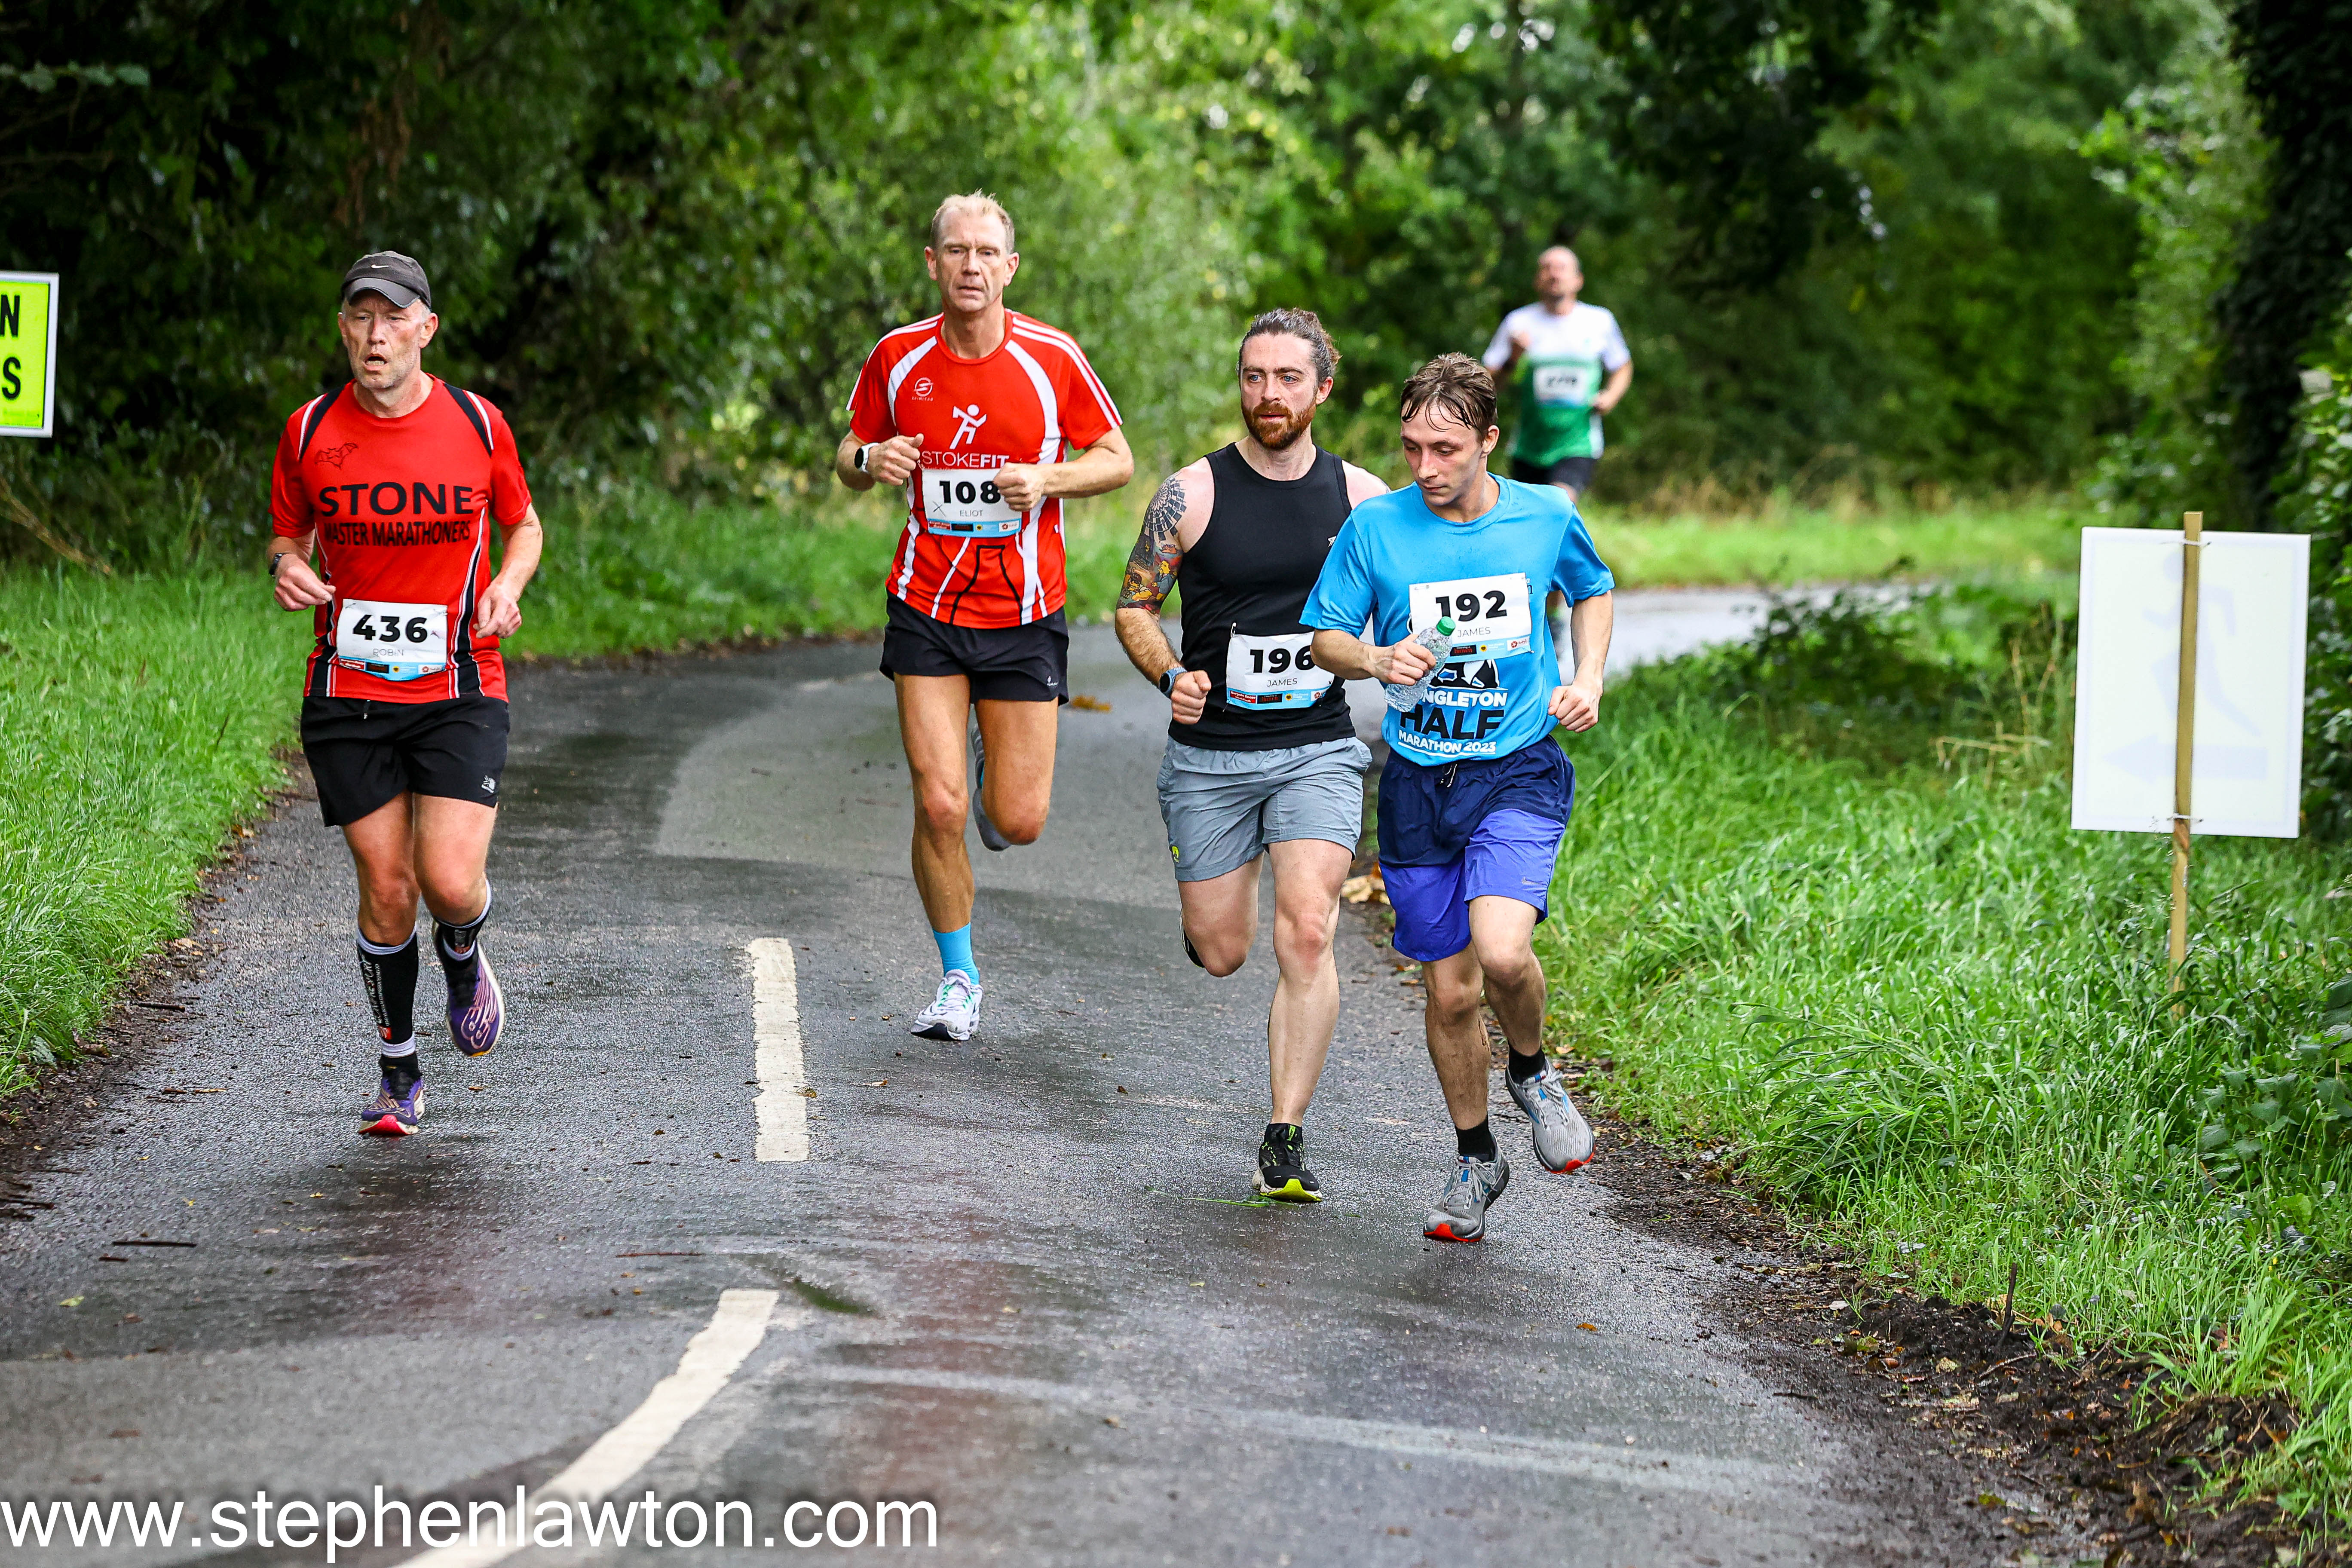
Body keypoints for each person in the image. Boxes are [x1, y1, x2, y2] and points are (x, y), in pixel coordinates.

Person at [1305, 353, 1614, 1243]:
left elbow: (1592, 589)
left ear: (1488, 440)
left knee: (1503, 952)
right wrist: (1375, 656)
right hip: (1416, 780)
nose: (1425, 467)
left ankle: (1533, 1069)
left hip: (1516, 767)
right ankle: (1477, 1157)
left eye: (1445, 449)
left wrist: (1588, 675)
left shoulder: (1544, 515)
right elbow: (1325, 637)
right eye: (1411, 447)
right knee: (1448, 995)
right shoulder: (1376, 527)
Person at [836, 193, 1133, 1042]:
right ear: (933, 263)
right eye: (956, 251)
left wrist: (1047, 479)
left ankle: (985, 764)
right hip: (926, 602)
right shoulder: (898, 356)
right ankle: (958, 978)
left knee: (1016, 820)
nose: (972, 266)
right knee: (939, 806)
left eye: (986, 252)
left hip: (1024, 610)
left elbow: (1117, 459)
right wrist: (870, 458)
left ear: (1010, 266)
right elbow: (849, 452)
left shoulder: (1051, 357)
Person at [268, 251, 544, 1138]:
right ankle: (399, 1074)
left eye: (393, 318)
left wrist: (507, 584)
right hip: (348, 692)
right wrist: (286, 567)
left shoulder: (478, 423)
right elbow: (286, 535)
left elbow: (524, 525)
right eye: (361, 317)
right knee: (388, 888)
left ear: (426, 328)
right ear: (343, 329)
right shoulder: (310, 430)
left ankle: (462, 948)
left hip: (460, 682)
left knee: (448, 882)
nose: (375, 335)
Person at [1115, 310, 1389, 1202]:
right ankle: (1210, 920)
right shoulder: (1190, 494)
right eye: (1254, 377)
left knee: (1308, 929)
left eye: (1287, 378)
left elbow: (1413, 597)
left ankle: (1285, 1134)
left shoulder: (1363, 499)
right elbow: (1133, 608)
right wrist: (1170, 675)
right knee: (1224, 950)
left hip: (1318, 746)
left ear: (1322, 389)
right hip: (1212, 757)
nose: (1268, 394)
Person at [1481, 246, 1631, 650]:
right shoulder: (1519, 323)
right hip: (1530, 446)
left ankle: (1563, 607)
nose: (1554, 274)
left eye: (1562, 268)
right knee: (1533, 530)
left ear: (1578, 279)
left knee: (1557, 510)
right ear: (1537, 279)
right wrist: (1514, 357)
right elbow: (1489, 385)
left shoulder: (1598, 321)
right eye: (1546, 268)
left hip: (1579, 442)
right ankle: (1544, 613)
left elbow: (1622, 365)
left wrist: (1611, 397)